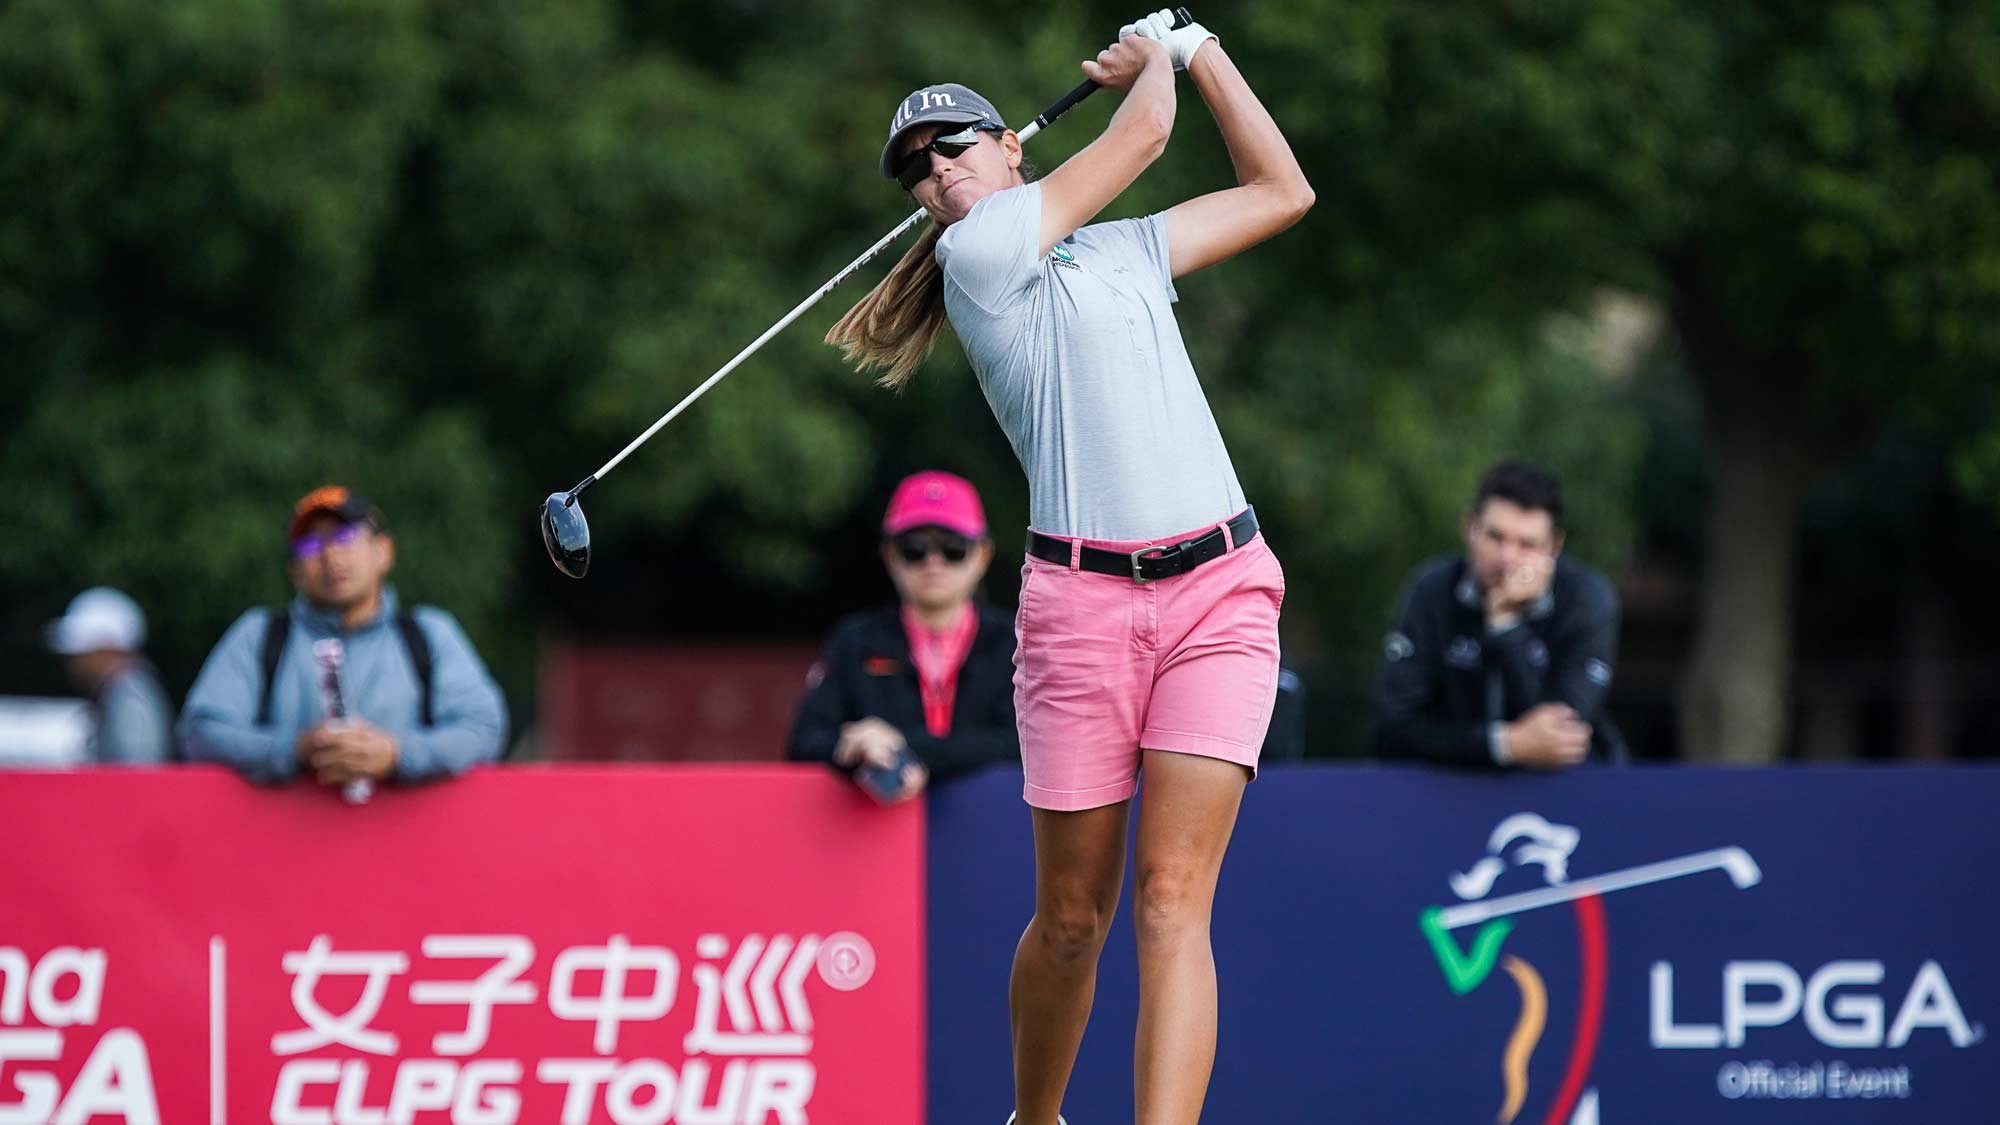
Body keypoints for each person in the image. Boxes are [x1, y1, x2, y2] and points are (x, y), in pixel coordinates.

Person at [826, 12, 1311, 1123]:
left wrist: (1200, 55)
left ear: (1009, 146)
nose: (936, 173)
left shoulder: (1123, 250)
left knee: (1169, 902)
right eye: (915, 170)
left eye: (952, 144)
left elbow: (1281, 191)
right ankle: (1032, 1117)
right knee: (1073, 917)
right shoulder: (977, 257)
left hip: (1219, 592)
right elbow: (1139, 140)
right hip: (1079, 608)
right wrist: (1158, 56)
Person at [178, 486, 508, 788]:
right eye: (310, 544)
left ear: (383, 552)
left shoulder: (429, 633)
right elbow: (199, 732)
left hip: (408, 847)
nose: (330, 555)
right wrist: (295, 749)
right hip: (282, 846)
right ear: (294, 572)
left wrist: (396, 754)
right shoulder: (260, 634)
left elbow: (483, 728)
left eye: (345, 535)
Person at [1374, 460, 1629, 768]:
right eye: (1496, 537)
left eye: (1527, 544)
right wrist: (1502, 745)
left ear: (1554, 547)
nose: (1508, 558)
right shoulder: (1430, 591)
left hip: (1567, 799)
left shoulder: (1585, 599)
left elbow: (1559, 737)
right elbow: (1394, 728)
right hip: (1448, 794)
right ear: (1470, 529)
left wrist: (1506, 624)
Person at [787, 470, 1019, 800]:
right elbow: (805, 741)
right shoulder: (855, 641)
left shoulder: (1016, 643)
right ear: (890, 555)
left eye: (953, 548)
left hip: (997, 829)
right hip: (876, 838)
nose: (933, 562)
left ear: (982, 555)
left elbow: (1028, 744)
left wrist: (903, 745)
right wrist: (856, 747)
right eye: (914, 548)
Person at [44, 587, 173, 764]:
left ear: (107, 647)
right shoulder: (124, 694)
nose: (71, 663)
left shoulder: (130, 700)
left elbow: (135, 779)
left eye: (81, 652)